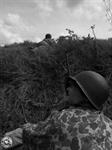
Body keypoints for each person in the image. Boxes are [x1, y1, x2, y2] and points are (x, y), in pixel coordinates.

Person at [0, 71, 111, 150]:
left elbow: (29, 133)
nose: (68, 89)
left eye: (73, 87)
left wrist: (5, 142)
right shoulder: (109, 124)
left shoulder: (64, 118)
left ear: (84, 96)